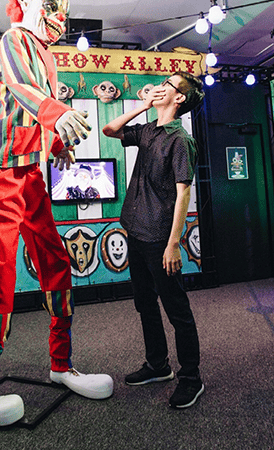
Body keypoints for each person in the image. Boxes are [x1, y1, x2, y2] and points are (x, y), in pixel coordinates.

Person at [0, 0, 113, 427]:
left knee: (56, 265)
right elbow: (21, 89)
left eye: (62, 9)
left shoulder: (46, 55)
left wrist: (55, 144)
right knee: (2, 276)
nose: (59, 18)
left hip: (30, 173)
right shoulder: (14, 40)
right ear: (26, 0)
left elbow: (32, 107)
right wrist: (57, 116)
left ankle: (61, 364)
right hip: (3, 172)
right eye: (51, 5)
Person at [102, 71, 205, 409]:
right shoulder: (148, 129)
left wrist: (174, 242)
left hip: (161, 238)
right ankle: (158, 365)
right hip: (135, 230)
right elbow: (111, 130)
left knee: (177, 311)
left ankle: (191, 378)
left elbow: (184, 192)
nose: (161, 87)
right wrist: (142, 104)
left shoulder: (180, 139)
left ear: (179, 99)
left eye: (168, 85)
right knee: (145, 303)